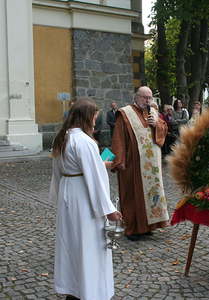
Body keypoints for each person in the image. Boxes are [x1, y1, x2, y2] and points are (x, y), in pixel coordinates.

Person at [50, 98, 122, 300]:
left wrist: (59, 198)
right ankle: (90, 292)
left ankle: (73, 289)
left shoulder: (62, 138)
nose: (95, 122)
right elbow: (95, 178)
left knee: (72, 244)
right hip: (83, 199)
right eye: (95, 118)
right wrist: (108, 209)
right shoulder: (84, 141)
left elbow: (58, 173)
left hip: (68, 194)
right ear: (86, 117)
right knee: (88, 245)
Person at [111, 86, 169, 241]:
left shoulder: (154, 113)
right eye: (144, 97)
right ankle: (132, 229)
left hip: (152, 166)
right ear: (136, 97)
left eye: (149, 97)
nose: (147, 100)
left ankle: (148, 227)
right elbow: (118, 138)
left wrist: (157, 124)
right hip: (132, 164)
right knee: (133, 195)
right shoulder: (125, 114)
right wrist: (119, 160)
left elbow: (164, 128)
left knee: (149, 196)